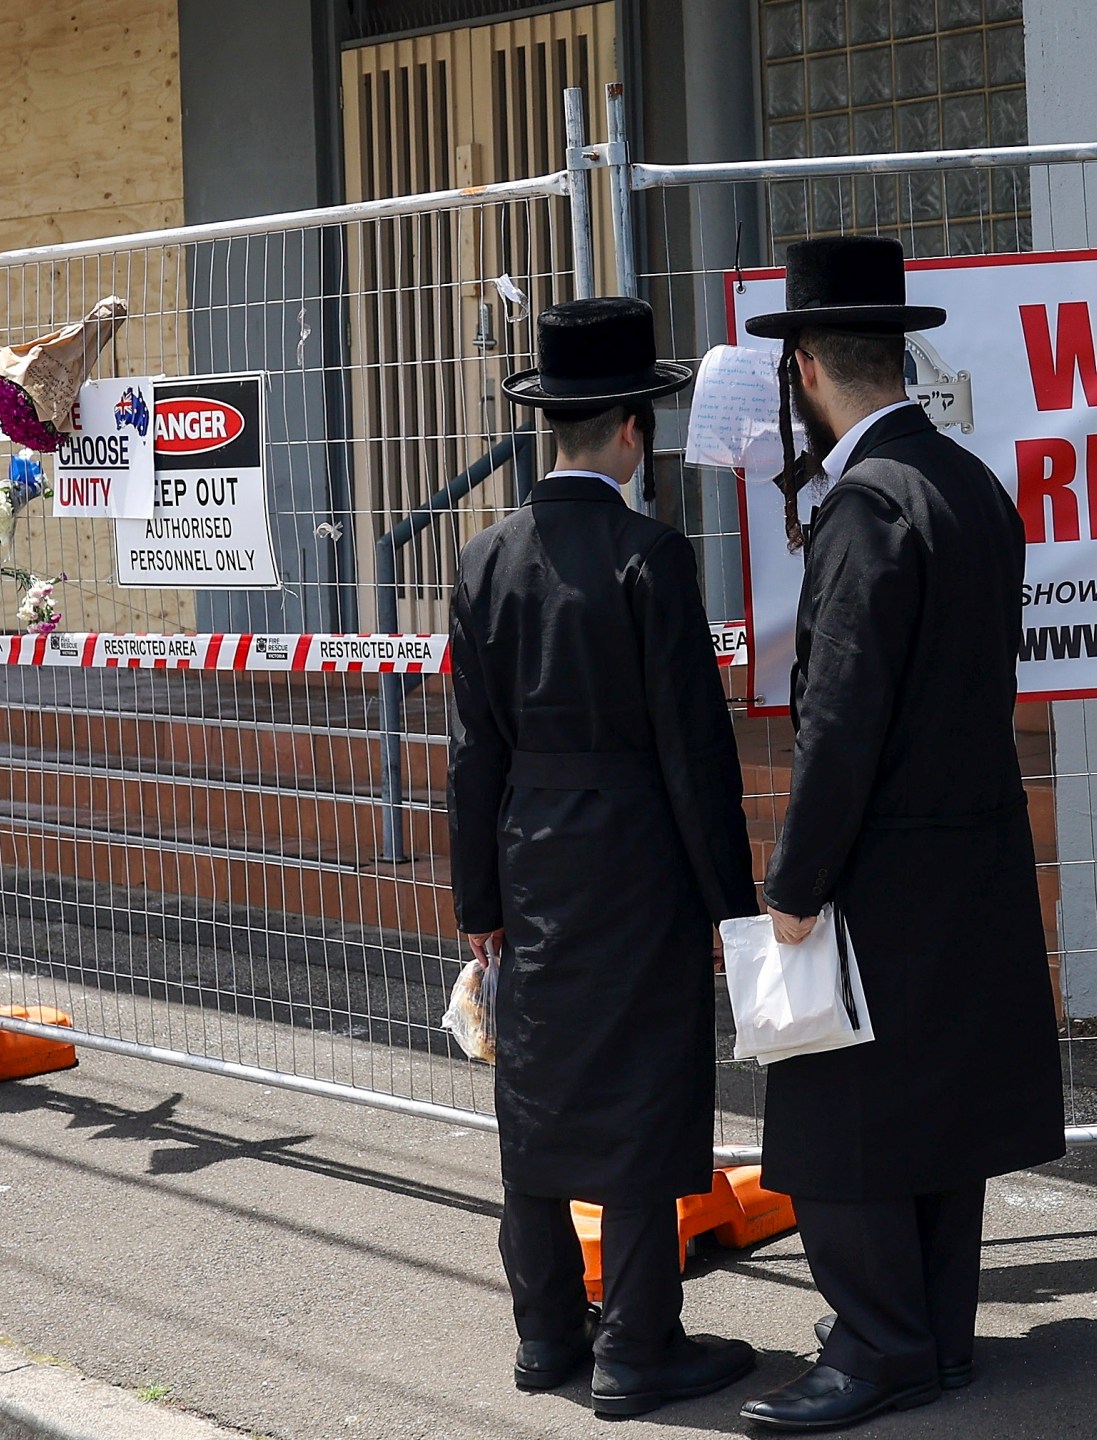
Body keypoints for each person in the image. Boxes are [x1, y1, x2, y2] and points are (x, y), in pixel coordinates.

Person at [732, 237, 1065, 1432]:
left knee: (843, 1113)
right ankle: (936, 1332)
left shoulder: (865, 505)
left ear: (807, 365)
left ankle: (877, 1345)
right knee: (940, 1102)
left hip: (882, 854)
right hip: (971, 840)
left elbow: (841, 712)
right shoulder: (969, 481)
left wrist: (797, 876)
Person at [446, 296, 762, 1419]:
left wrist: (475, 901)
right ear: (632, 429)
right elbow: (694, 749)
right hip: (638, 855)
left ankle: (544, 1335)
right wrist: (733, 905)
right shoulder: (651, 557)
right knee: (641, 1086)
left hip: (527, 855)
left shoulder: (483, 562)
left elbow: (469, 752)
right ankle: (637, 1344)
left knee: (533, 1088)